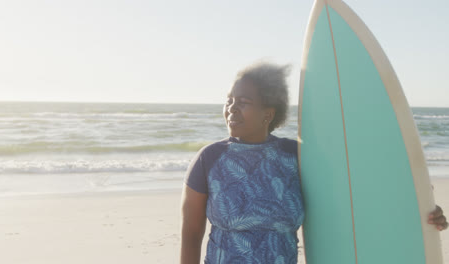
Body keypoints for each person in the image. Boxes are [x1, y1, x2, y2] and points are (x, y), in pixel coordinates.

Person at [180, 62, 447, 264]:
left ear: (268, 114)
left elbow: (359, 190)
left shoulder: (296, 156)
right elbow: (191, 235)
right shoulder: (210, 159)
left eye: (244, 102)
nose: (232, 108)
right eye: (229, 101)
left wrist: (420, 208)